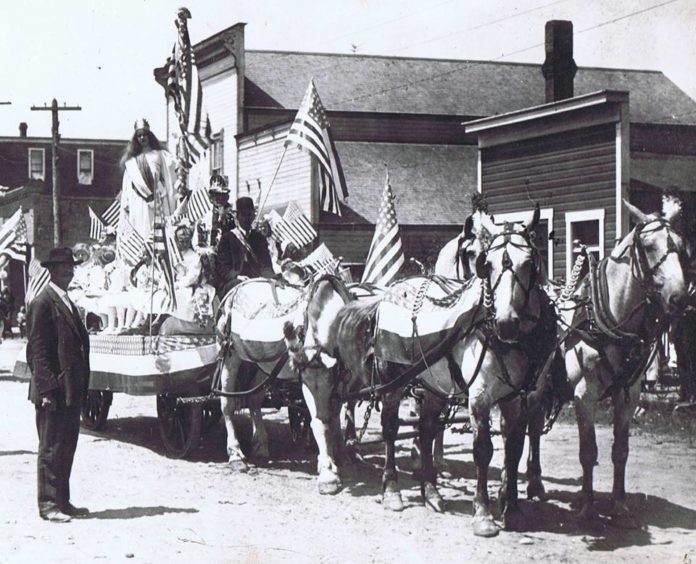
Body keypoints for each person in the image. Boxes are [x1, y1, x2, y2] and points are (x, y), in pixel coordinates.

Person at [26, 247, 90, 522]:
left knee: (66, 445)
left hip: (70, 390)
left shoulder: (67, 301)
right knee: (51, 447)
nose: (69, 270)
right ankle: (48, 505)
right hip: (53, 392)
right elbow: (37, 352)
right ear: (51, 270)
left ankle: (63, 501)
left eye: (71, 266)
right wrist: (48, 391)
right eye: (63, 266)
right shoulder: (43, 302)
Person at [118, 118, 178, 241]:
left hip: (159, 201)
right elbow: (127, 188)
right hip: (140, 203)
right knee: (142, 233)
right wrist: (127, 205)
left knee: (160, 237)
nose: (142, 138)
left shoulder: (160, 155)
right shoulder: (132, 162)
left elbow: (168, 178)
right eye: (139, 135)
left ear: (149, 135)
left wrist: (170, 202)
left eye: (145, 134)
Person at [215, 196, 274, 299]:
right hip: (234, 282)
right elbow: (222, 268)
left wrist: (268, 277)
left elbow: (266, 264)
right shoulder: (227, 238)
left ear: (253, 216)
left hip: (257, 280)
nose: (246, 218)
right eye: (243, 214)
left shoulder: (259, 238)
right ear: (237, 216)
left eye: (249, 214)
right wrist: (237, 276)